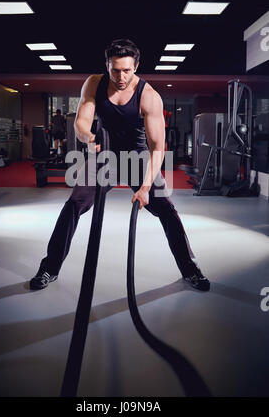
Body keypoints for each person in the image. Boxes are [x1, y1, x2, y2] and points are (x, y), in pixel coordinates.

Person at [30, 39, 210, 291]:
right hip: (104, 155)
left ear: (136, 66)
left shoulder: (148, 96)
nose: (121, 76)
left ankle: (190, 269)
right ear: (107, 66)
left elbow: (158, 148)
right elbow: (81, 123)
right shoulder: (94, 83)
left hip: (138, 157)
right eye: (115, 70)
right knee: (74, 204)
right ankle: (49, 268)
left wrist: (146, 187)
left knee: (166, 210)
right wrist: (89, 139)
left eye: (127, 70)